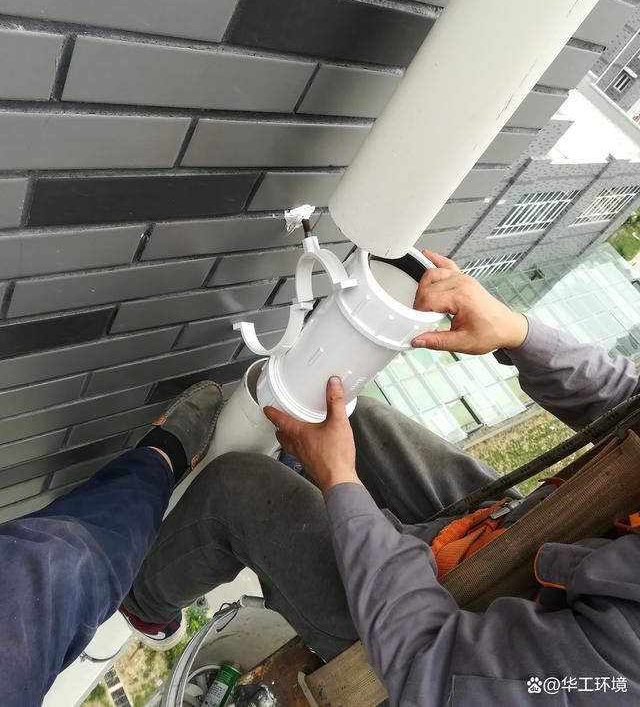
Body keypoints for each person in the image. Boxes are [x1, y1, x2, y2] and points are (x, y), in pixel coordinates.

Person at [1, 252, 638, 706]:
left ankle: (143, 605)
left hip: (427, 652)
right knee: (346, 418)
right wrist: (519, 334)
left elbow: (437, 663)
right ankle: (287, 495)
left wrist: (341, 485)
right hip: (517, 535)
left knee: (238, 491)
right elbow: (627, 400)